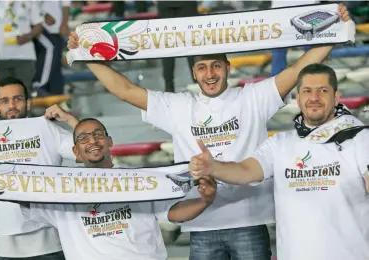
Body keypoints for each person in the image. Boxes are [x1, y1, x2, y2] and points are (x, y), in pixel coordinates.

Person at [67, 5, 351, 259]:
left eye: (216, 65)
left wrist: (335, 28)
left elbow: (299, 69)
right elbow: (124, 90)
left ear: (228, 67)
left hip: (248, 222)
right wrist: (84, 55)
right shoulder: (177, 106)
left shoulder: (253, 97)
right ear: (193, 73)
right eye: (202, 67)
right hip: (201, 221)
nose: (210, 73)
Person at [189, 63, 369, 260]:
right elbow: (246, 170)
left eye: (323, 90)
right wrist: (213, 167)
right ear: (298, 98)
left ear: (336, 97)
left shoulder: (360, 139)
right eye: (307, 91)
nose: (314, 98)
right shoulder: (280, 143)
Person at [19, 118, 217, 260]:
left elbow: (173, 213)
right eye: (84, 138)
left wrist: (204, 201)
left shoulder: (140, 180)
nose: (93, 141)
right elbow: (22, 197)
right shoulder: (61, 188)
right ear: (75, 151)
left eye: (98, 135)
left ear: (109, 141)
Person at [0, 77, 79, 260]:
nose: (11, 105)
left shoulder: (47, 128)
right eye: (4, 101)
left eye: (17, 99)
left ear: (28, 103)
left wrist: (70, 119)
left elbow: (88, 151)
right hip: (4, 247)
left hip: (50, 242)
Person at [0, 1, 44, 93]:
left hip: (24, 57)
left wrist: (29, 36)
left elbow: (39, 25)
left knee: (22, 96)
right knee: (3, 97)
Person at [32, 1, 70, 97]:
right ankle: (38, 87)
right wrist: (43, 15)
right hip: (38, 27)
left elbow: (66, 3)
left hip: (54, 27)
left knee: (55, 68)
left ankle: (55, 99)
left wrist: (64, 23)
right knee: (45, 58)